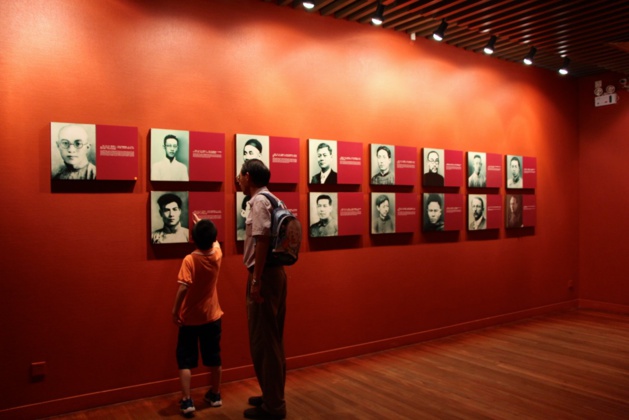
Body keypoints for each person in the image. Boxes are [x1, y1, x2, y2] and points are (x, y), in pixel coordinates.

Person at [237, 159, 288, 420]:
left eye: (240, 174)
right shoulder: (273, 198)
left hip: (264, 276)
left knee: (264, 341)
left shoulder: (258, 201)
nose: (237, 178)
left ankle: (274, 406)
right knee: (272, 339)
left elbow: (262, 239)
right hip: (274, 274)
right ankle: (271, 395)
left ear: (248, 176)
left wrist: (256, 281)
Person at [171, 218, 223, 416]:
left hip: (190, 319)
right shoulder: (217, 255)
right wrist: (203, 223)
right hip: (212, 316)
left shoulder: (190, 260)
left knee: (185, 360)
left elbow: (183, 287)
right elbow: (215, 242)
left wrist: (175, 311)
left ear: (193, 238)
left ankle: (186, 400)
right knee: (214, 357)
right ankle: (216, 394)